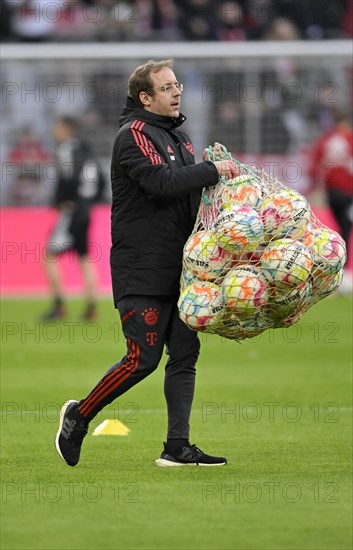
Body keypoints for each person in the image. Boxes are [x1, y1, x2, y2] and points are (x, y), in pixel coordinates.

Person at [55, 59, 239, 467]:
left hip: (182, 269)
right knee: (143, 358)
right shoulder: (132, 136)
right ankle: (78, 416)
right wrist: (210, 171)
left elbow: (188, 199)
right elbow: (159, 184)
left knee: (186, 354)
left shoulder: (182, 139)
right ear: (145, 97)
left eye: (178, 85)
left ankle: (177, 447)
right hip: (142, 268)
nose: (177, 92)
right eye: (167, 87)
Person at [42, 116, 105, 321]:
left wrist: (62, 200)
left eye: (57, 127)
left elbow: (68, 176)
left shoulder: (66, 149)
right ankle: (91, 307)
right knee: (84, 257)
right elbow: (102, 180)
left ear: (66, 129)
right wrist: (91, 201)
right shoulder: (88, 152)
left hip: (72, 210)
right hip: (86, 210)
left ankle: (59, 305)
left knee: (49, 255)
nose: (54, 131)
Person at [309, 109, 353, 289]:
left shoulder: (325, 140)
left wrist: (317, 188)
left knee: (340, 229)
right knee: (346, 228)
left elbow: (315, 167)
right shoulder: (350, 139)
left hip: (332, 192)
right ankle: (345, 273)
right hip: (349, 191)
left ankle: (340, 271)